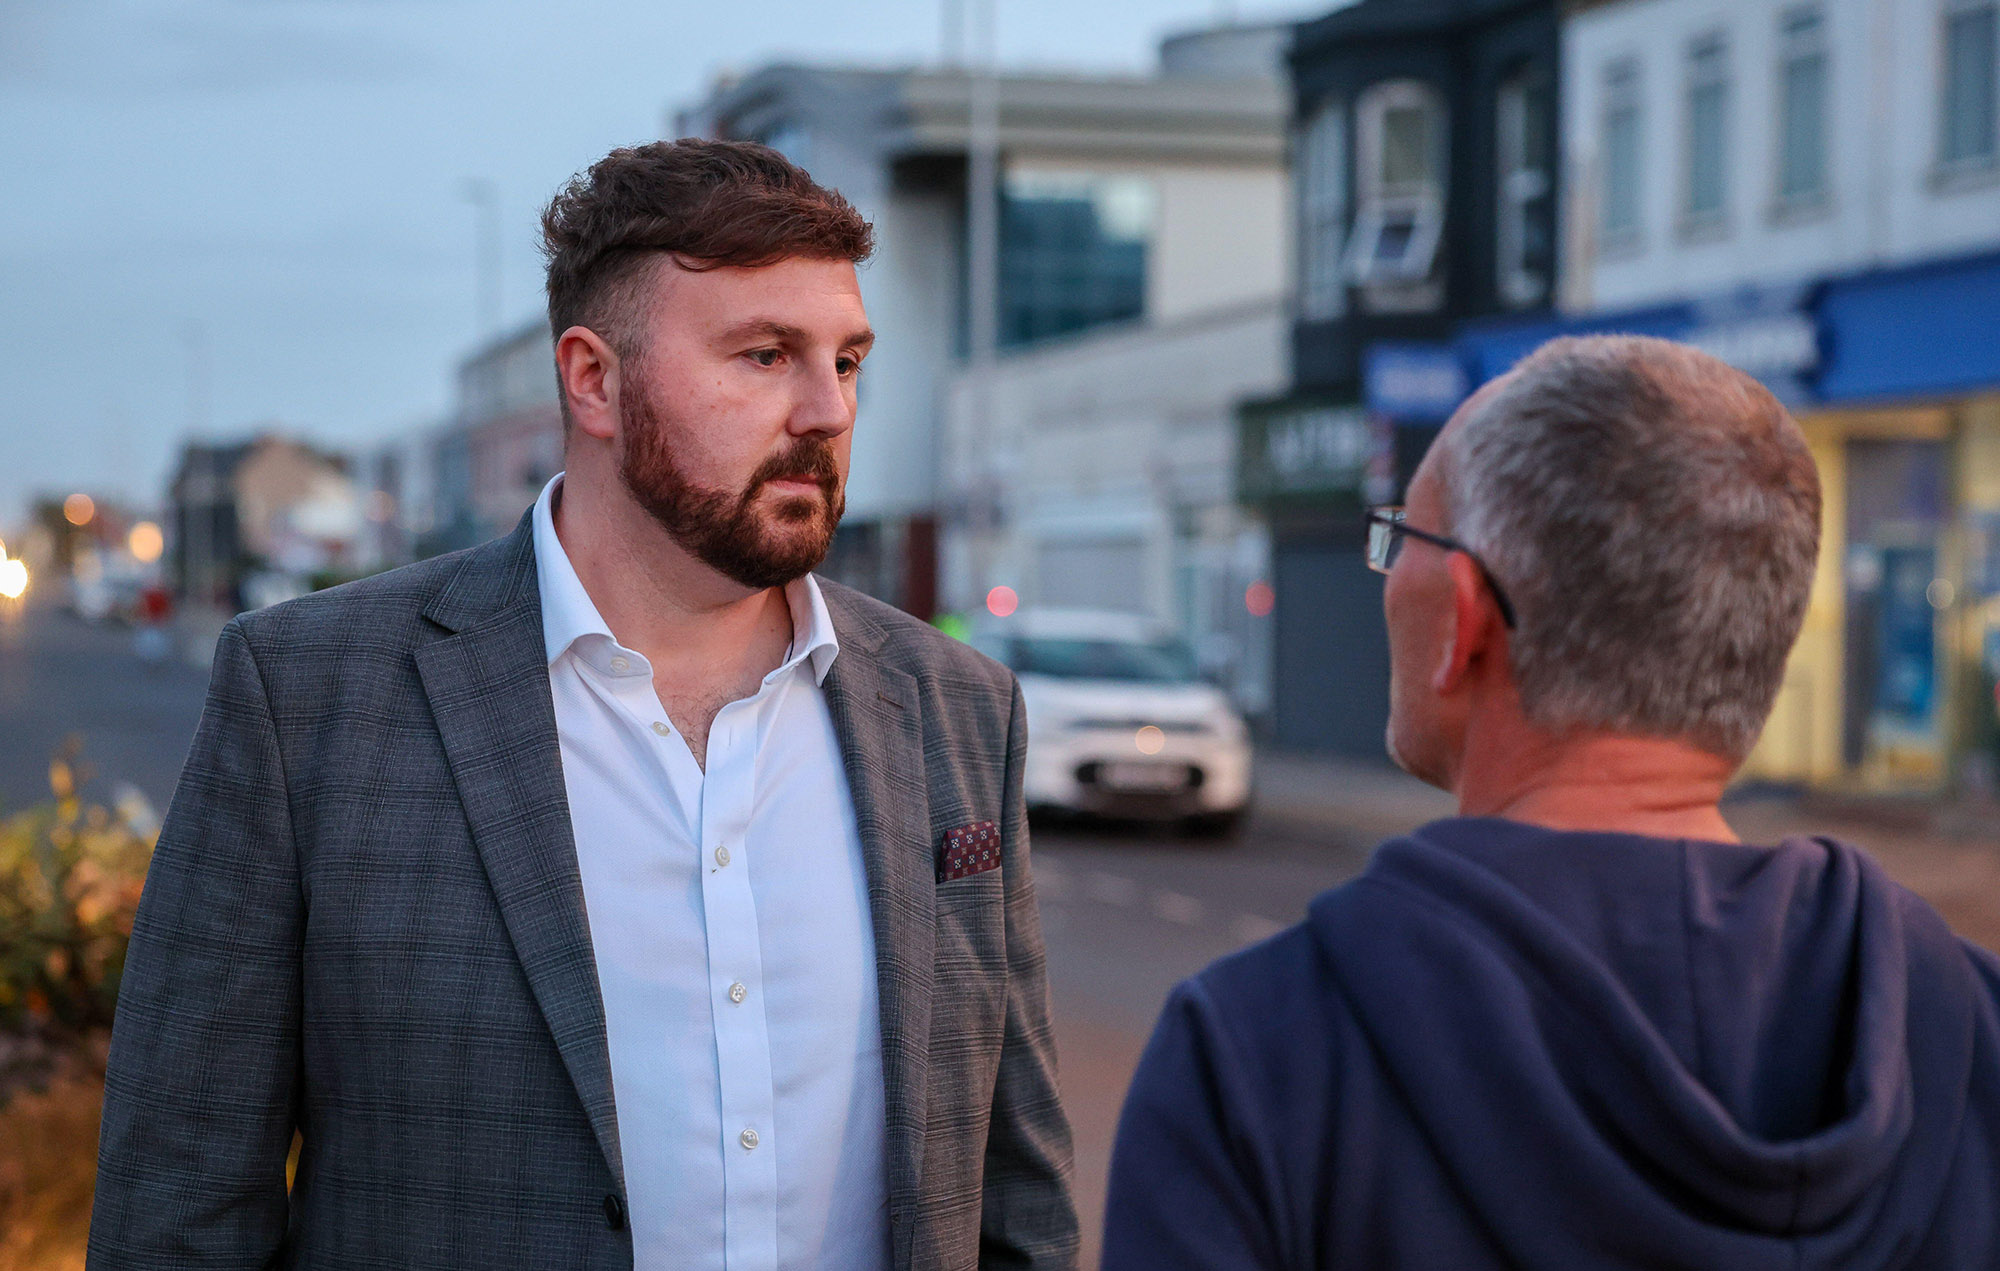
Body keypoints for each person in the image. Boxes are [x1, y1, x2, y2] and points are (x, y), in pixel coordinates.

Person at [89, 140, 1077, 1270]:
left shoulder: (955, 706)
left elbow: (1016, 1198)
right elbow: (179, 1204)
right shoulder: (311, 694)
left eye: (847, 360)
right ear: (593, 379)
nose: (824, 408)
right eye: (764, 355)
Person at [1101, 335, 2000, 1269]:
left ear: (1466, 618)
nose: (1386, 574)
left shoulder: (1258, 1057)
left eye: (1400, 536)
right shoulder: (1967, 1033)